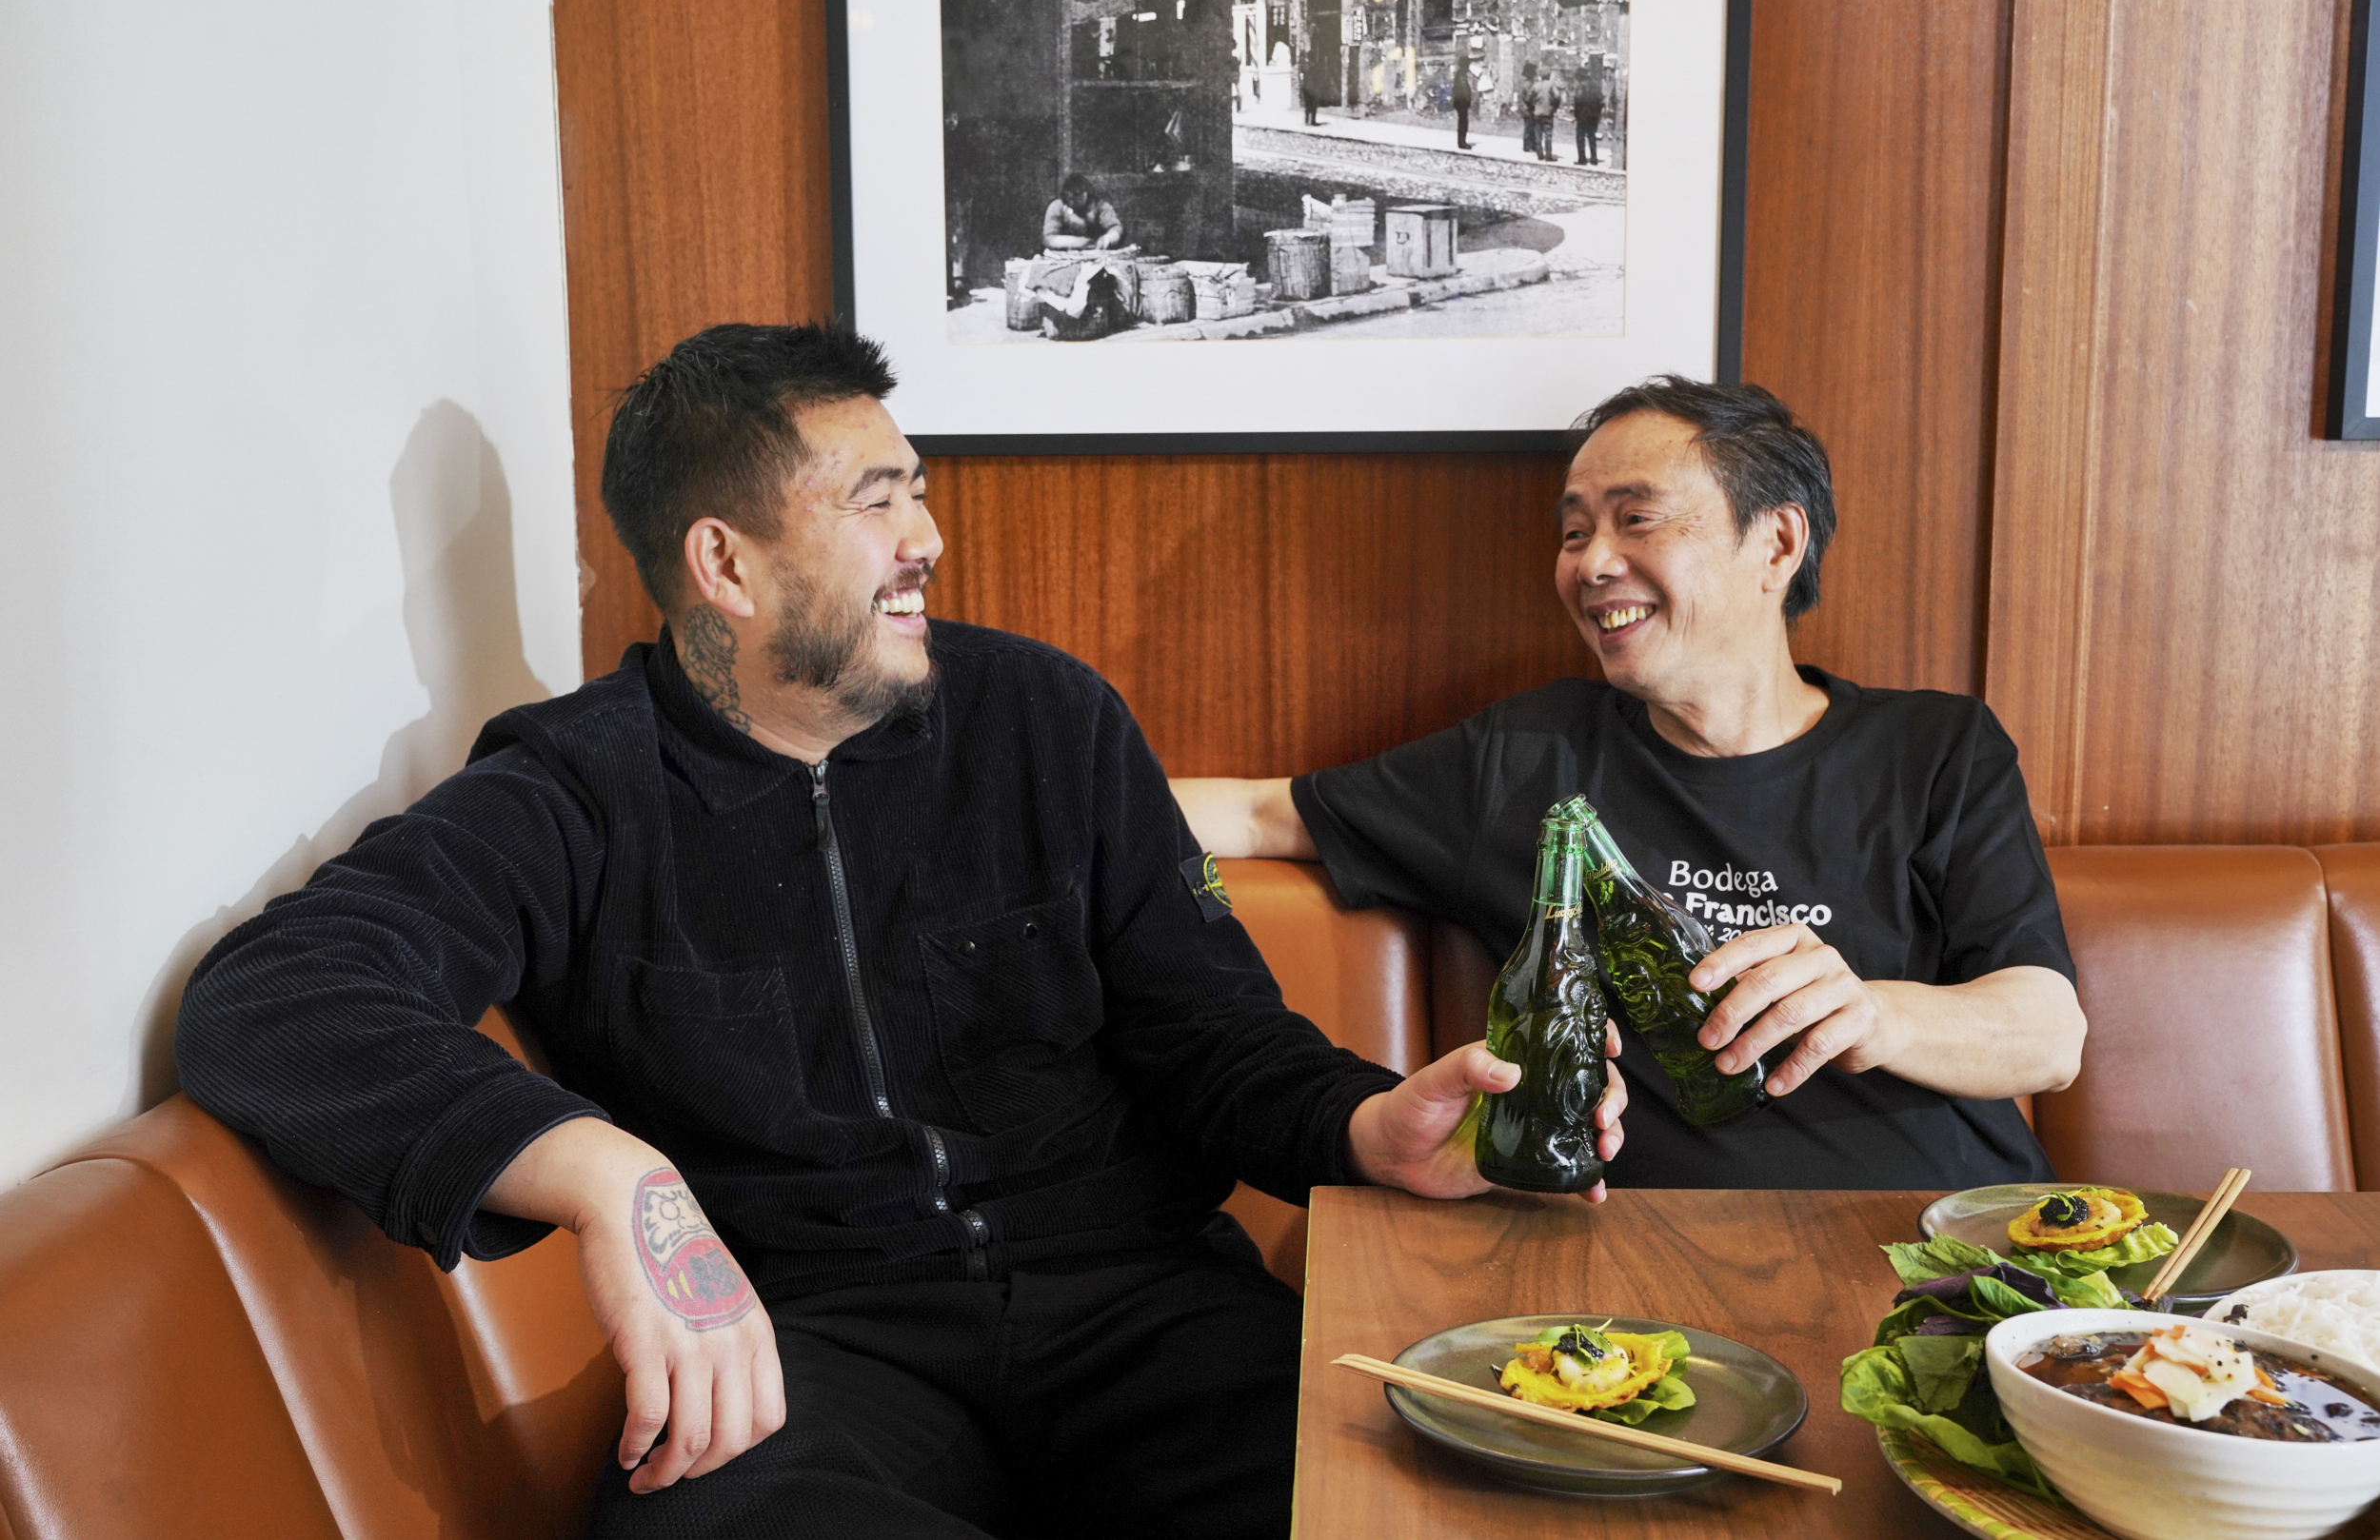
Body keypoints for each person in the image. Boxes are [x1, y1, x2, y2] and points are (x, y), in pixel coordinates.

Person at [174, 322, 1625, 1540]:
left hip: (1145, 1312)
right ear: (726, 566)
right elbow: (274, 996)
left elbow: (1214, 1039)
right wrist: (610, 1176)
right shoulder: (573, 791)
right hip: (820, 1348)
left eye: (916, 490)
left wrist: (1370, 1128)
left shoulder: (1044, 720)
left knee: (1429, 1499)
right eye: (877, 502)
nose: (929, 539)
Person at [1174, 376, 2085, 1194]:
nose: (1589, 563)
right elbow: (1256, 814)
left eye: (1635, 519)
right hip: (1648, 1279)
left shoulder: (1934, 749)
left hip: (1949, 1242)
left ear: (1776, 541)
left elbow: (2049, 1036)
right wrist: (1051, 795)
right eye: (1575, 532)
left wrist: (1870, 1012)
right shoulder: (1528, 757)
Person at [1041, 173, 1121, 251]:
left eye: (1077, 197)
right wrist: (1076, 242)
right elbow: (1048, 238)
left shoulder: (1100, 206)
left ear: (1086, 193)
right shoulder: (1057, 207)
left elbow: (1116, 227)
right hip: (1062, 256)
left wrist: (1108, 238)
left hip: (1096, 252)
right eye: (1070, 198)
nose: (1073, 202)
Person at [1574, 63, 1607, 166]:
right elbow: (1601, 101)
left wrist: (1576, 114)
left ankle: (1582, 159)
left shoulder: (1580, 87)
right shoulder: (1595, 87)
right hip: (1593, 117)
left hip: (1583, 117)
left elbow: (1578, 101)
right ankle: (1594, 158)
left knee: (1580, 138)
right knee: (1592, 137)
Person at [1517, 62, 1543, 158]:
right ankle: (1527, 145)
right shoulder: (1528, 84)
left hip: (1527, 108)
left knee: (1530, 126)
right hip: (1527, 109)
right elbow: (1529, 98)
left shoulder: (1528, 83)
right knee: (1529, 126)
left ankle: (1530, 145)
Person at [1452, 51, 1475, 150]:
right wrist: (1468, 99)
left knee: (1462, 122)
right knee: (1463, 122)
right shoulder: (1461, 75)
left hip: (1459, 102)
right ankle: (1462, 142)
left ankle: (1461, 141)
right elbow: (1464, 89)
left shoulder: (1459, 74)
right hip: (1462, 102)